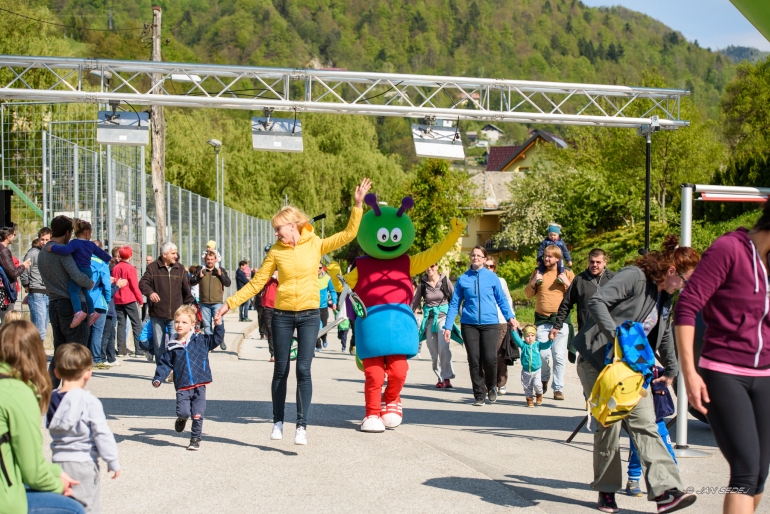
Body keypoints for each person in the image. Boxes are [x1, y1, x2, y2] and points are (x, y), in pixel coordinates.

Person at [215, 178, 371, 445]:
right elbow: (257, 283)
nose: (276, 234)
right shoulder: (276, 252)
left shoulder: (315, 243)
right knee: (281, 369)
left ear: (292, 225)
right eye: (275, 230)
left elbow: (347, 235)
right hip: (282, 315)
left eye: (278, 229)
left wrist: (358, 206)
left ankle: (301, 426)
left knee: (304, 370)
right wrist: (229, 303)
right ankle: (278, 422)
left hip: (310, 314)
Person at [571, 235, 699, 513]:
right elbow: (597, 302)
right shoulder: (635, 277)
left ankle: (667, 492)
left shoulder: (666, 296)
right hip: (598, 363)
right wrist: (617, 338)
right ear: (672, 271)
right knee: (609, 426)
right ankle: (607, 490)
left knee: (646, 425)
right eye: (686, 281)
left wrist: (672, 369)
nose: (686, 288)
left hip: (631, 369)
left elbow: (664, 333)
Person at [675, 207, 770, 514]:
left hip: (765, 375)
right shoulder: (730, 248)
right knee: (745, 470)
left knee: (759, 475)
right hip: (723, 372)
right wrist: (689, 373)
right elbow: (686, 306)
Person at [0, 320, 84, 514]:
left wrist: (56, 472)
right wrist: (59, 485)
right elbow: (33, 472)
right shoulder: (17, 393)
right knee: (74, 508)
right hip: (4, 500)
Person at [48, 343, 120, 513]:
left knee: (64, 506)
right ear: (88, 373)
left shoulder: (51, 400)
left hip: (58, 462)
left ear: (56, 373)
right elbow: (102, 433)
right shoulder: (89, 402)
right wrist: (112, 460)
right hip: (84, 462)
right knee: (87, 506)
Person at [444, 246, 518, 406]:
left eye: (479, 255)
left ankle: (491, 386)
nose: (475, 257)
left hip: (490, 324)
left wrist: (510, 318)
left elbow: (501, 300)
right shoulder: (463, 279)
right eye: (473, 255)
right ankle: (479, 394)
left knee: (490, 358)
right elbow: (455, 303)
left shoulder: (492, 278)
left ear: (484, 259)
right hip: (469, 324)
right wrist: (448, 326)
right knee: (474, 359)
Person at [152, 304, 225, 451]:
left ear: (192, 324)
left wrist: (218, 325)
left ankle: (195, 439)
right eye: (177, 322)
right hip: (183, 385)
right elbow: (165, 364)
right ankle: (182, 418)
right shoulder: (172, 346)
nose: (179, 325)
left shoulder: (201, 340)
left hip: (199, 384)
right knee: (184, 411)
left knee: (198, 414)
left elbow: (217, 339)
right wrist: (158, 378)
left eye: (184, 322)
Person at [39, 217, 95, 388]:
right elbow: (76, 275)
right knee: (76, 351)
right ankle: (71, 391)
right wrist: (89, 283)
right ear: (67, 232)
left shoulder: (43, 252)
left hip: (53, 303)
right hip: (72, 304)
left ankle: (49, 390)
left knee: (60, 350)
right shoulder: (62, 252)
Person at [525, 245, 574, 400]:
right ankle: (545, 378)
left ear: (557, 258)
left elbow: (576, 295)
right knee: (542, 353)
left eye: (550, 256)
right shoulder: (538, 272)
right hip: (542, 320)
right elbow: (528, 294)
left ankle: (558, 388)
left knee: (558, 356)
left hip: (561, 320)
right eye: (545, 256)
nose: (546, 258)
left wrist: (567, 283)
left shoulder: (567, 273)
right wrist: (534, 282)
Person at [48, 220, 112, 328]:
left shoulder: (74, 243)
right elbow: (101, 253)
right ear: (87, 233)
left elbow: (65, 250)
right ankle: (92, 312)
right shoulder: (91, 244)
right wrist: (110, 259)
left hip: (79, 270)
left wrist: (53, 248)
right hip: (88, 270)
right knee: (85, 293)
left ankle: (78, 312)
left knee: (73, 291)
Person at [140, 242, 195, 363]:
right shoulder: (152, 268)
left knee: (175, 343)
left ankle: (175, 368)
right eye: (173, 253)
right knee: (159, 345)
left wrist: (189, 307)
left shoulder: (180, 269)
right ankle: (161, 369)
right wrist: (150, 293)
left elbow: (186, 290)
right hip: (157, 313)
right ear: (164, 255)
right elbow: (143, 283)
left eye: (176, 253)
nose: (176, 256)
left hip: (176, 314)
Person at [412, 263, 455, 388]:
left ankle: (447, 377)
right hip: (430, 319)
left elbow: (455, 300)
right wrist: (407, 316)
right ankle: (440, 377)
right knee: (434, 352)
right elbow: (415, 302)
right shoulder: (423, 283)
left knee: (444, 347)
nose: (429, 268)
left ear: (437, 266)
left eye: (432, 266)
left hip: (444, 317)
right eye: (427, 266)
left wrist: (464, 316)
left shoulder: (445, 281)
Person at [485, 257, 514, 395]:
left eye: (491, 266)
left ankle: (501, 382)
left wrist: (511, 317)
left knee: (500, 354)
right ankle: (488, 383)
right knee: (487, 354)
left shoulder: (501, 281)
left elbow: (508, 299)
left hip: (501, 320)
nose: (489, 268)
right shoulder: (479, 281)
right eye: (486, 266)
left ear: (495, 268)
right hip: (486, 321)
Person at [111, 246, 145, 359]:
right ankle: (139, 350)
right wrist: (140, 299)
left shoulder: (115, 268)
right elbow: (134, 286)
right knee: (136, 324)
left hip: (117, 298)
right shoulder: (130, 268)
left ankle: (121, 350)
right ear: (130, 256)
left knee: (121, 324)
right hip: (129, 298)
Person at [190, 251, 230, 344]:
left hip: (217, 302)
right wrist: (199, 277)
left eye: (212, 259)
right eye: (208, 259)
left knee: (218, 322)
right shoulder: (200, 270)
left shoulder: (220, 270)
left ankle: (220, 339)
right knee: (207, 325)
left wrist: (220, 275)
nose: (210, 261)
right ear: (205, 259)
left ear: (216, 260)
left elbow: (228, 283)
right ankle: (208, 344)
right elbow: (191, 282)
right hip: (204, 303)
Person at [20, 227, 51, 342]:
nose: (44, 242)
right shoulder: (33, 253)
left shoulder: (49, 253)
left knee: (43, 328)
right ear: (38, 239)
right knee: (39, 331)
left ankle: (36, 351)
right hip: (37, 293)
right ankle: (35, 352)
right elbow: (23, 271)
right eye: (42, 239)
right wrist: (27, 287)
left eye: (47, 240)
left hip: (48, 294)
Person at [86, 241, 112, 370]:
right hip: (98, 302)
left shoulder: (82, 261)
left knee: (85, 331)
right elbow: (107, 286)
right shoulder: (102, 263)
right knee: (97, 331)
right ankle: (96, 358)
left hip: (84, 300)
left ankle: (84, 358)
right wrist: (107, 300)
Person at [514, 324, 551, 407]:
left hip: (536, 370)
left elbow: (546, 345)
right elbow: (517, 339)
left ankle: (539, 394)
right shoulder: (523, 345)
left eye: (532, 335)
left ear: (535, 336)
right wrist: (513, 331)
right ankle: (529, 399)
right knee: (527, 386)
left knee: (537, 385)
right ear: (524, 337)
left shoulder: (538, 344)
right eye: (527, 336)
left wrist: (550, 340)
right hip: (526, 371)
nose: (530, 338)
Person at [0, 224, 31, 320]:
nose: (14, 237)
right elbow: (13, 273)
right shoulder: (4, 251)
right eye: (14, 234)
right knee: (8, 322)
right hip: (4, 293)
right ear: (7, 236)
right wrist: (23, 266)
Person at [316, 264, 337, 350]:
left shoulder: (327, 279)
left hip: (323, 306)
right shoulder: (311, 278)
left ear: (322, 268)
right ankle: (318, 344)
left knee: (324, 326)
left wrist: (334, 302)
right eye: (316, 267)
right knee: (315, 327)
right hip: (313, 307)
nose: (318, 269)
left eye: (320, 268)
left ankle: (324, 338)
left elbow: (332, 291)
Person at [261, 270, 278, 361]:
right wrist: (271, 276)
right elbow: (261, 283)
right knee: (271, 331)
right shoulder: (268, 277)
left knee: (280, 331)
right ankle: (273, 354)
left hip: (280, 307)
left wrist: (278, 277)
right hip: (267, 307)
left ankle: (281, 352)